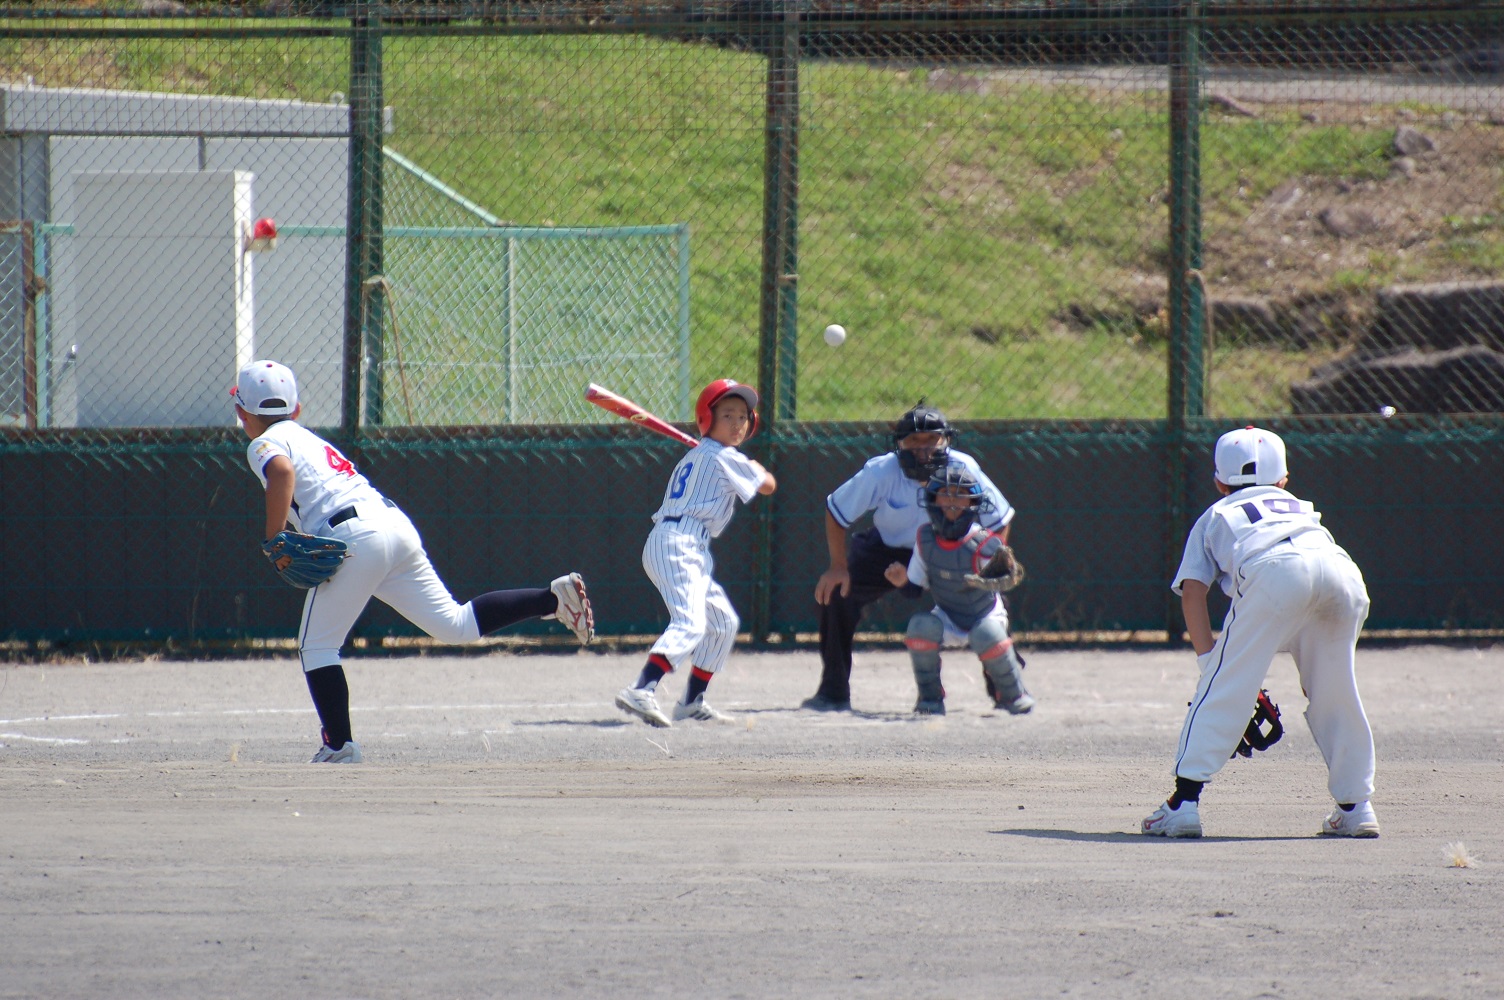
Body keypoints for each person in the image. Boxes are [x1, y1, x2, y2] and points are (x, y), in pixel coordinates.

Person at [233, 360, 595, 763]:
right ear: (296, 409)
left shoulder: (262, 443)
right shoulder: (308, 438)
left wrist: (273, 539)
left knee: (316, 646)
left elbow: (280, 472)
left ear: (241, 412)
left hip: (355, 538)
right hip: (392, 524)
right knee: (456, 624)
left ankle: (339, 746)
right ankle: (551, 599)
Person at [1141, 426, 1377, 838]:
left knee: (1223, 688)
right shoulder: (1300, 507)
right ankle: (1356, 807)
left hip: (1275, 574)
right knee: (1335, 691)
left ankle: (1182, 804)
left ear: (1218, 481)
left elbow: (1193, 593)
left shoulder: (1216, 514)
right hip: (1341, 573)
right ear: (1283, 480)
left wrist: (1209, 666)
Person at [807, 403, 1013, 712]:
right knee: (836, 593)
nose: (923, 449)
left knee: (992, 607)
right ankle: (833, 691)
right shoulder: (881, 471)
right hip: (889, 550)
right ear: (898, 445)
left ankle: (1004, 690)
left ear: (947, 441)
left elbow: (999, 518)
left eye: (931, 440)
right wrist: (838, 567)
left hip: (951, 548)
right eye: (913, 441)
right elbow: (836, 511)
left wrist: (989, 566)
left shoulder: (964, 467)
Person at [615, 379, 776, 727]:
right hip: (678, 541)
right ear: (708, 419)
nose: (737, 423)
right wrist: (760, 469)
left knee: (722, 623)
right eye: (727, 415)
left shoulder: (704, 453)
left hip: (688, 544)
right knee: (691, 623)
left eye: (743, 416)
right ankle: (641, 689)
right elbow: (768, 486)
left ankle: (691, 701)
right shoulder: (725, 456)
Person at [884, 463, 1034, 716]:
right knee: (920, 627)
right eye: (945, 493)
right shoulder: (926, 539)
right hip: (948, 615)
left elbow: (1007, 581)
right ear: (932, 499)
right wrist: (901, 582)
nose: (952, 501)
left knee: (987, 633)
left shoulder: (986, 543)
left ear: (973, 502)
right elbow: (914, 589)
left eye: (960, 495)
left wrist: (1004, 574)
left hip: (984, 615)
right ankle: (930, 698)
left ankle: (1013, 694)